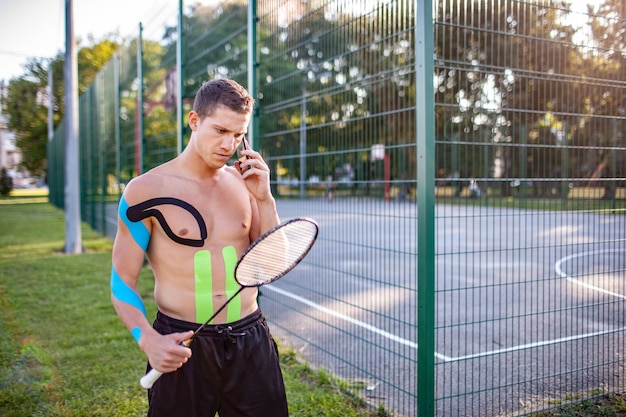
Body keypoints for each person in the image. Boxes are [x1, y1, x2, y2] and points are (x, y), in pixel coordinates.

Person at [110, 78, 289, 417]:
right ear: (194, 121)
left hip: (250, 338)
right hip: (183, 341)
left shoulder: (245, 183)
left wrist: (264, 199)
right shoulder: (144, 191)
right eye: (220, 130)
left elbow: (274, 263)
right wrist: (148, 339)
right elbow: (122, 280)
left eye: (238, 135)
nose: (229, 144)